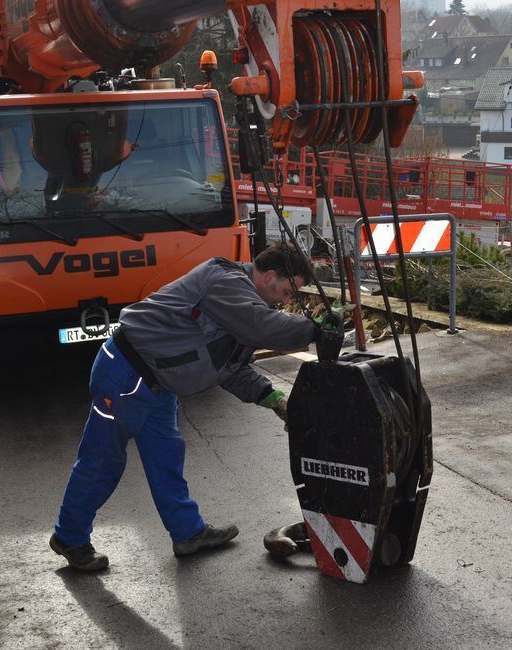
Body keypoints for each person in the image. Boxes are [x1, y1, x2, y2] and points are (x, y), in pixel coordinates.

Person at [50, 243, 331, 571]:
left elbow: (231, 368)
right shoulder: (225, 281)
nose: (285, 301)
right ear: (269, 276)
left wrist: (275, 401)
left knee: (166, 457)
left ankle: (188, 533)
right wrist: (315, 330)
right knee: (102, 460)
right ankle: (69, 537)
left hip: (158, 384)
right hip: (126, 374)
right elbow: (263, 327)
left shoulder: (243, 303)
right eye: (287, 290)